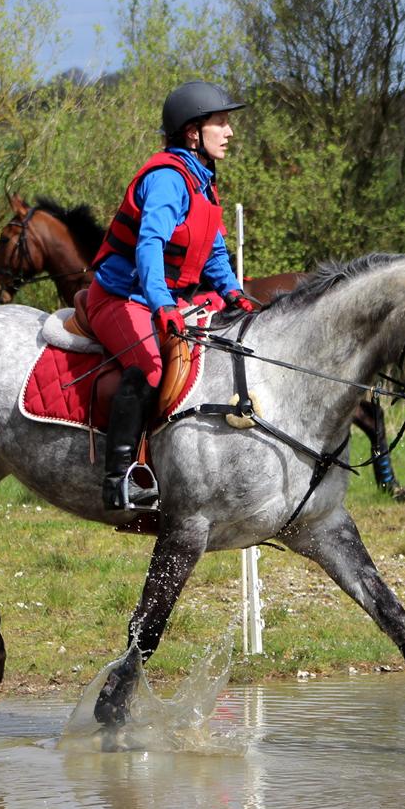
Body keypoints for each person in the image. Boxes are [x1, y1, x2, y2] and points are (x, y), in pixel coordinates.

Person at [87, 80, 259, 510]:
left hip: (163, 297)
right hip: (121, 296)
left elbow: (213, 250)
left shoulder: (202, 181)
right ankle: (121, 477)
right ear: (192, 132)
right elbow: (149, 246)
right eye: (221, 123)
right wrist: (162, 304)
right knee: (148, 366)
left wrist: (233, 293)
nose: (229, 132)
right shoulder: (167, 179)